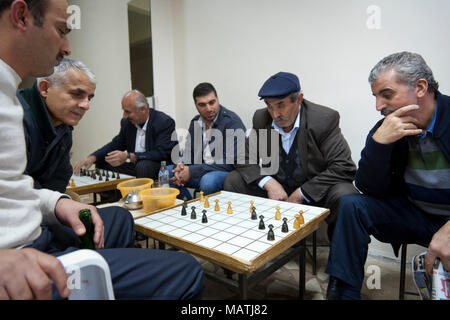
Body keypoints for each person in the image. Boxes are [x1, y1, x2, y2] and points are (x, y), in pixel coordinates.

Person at [0, 0, 204, 300]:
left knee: (121, 216)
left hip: (41, 228)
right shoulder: (21, 109)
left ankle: (109, 278)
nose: (67, 46)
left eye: (89, 97)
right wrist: (96, 157)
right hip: (24, 254)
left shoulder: (162, 121)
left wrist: (59, 202)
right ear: (21, 17)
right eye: (61, 30)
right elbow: (114, 144)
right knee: (187, 270)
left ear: (142, 110)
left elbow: (166, 150)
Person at [325, 52, 450, 300]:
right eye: (376, 97)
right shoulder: (386, 128)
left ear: (421, 87)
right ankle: (344, 293)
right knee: (351, 204)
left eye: (387, 94)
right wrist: (378, 145)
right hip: (414, 213)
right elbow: (369, 189)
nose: (378, 106)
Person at [224, 72, 358, 240]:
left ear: (299, 99)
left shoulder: (323, 119)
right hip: (277, 191)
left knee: (346, 194)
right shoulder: (261, 118)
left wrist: (302, 192)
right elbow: (244, 159)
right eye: (269, 106)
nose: (275, 113)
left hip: (312, 192)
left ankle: (340, 260)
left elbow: (344, 167)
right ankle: (246, 243)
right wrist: (268, 183)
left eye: (281, 105)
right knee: (233, 180)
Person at [73, 89, 176, 180]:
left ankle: (141, 199)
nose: (124, 116)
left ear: (143, 109)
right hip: (135, 166)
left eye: (127, 112)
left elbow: (162, 153)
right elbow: (115, 144)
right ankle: (114, 199)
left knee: (143, 166)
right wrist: (92, 158)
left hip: (157, 165)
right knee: (103, 162)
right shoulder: (127, 123)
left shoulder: (164, 122)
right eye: (124, 111)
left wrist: (130, 156)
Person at [169, 82, 246, 200]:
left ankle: (201, 211)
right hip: (200, 171)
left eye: (212, 102)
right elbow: (189, 151)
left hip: (225, 172)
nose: (209, 108)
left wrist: (192, 171)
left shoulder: (231, 122)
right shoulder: (195, 122)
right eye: (202, 105)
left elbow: (230, 162)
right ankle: (189, 206)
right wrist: (181, 165)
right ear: (196, 105)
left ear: (217, 99)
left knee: (208, 181)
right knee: (169, 172)